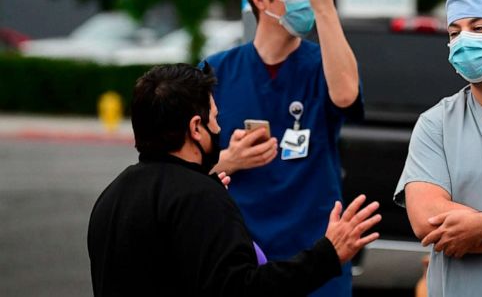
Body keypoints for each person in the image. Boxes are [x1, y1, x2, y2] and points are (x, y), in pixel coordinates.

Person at [87, 63, 381, 297]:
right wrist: (327, 254)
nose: (219, 127)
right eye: (215, 119)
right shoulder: (200, 198)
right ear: (196, 128)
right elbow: (243, 288)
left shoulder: (113, 196)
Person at [205, 0, 363, 297]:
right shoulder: (215, 71)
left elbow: (346, 95)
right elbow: (184, 168)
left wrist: (325, 8)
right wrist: (228, 161)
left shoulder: (323, 64)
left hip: (317, 252)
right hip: (243, 255)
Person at [395, 0, 482, 297]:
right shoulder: (437, 124)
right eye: (455, 33)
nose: (463, 40)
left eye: (479, 27)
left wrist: (478, 230)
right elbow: (429, 224)